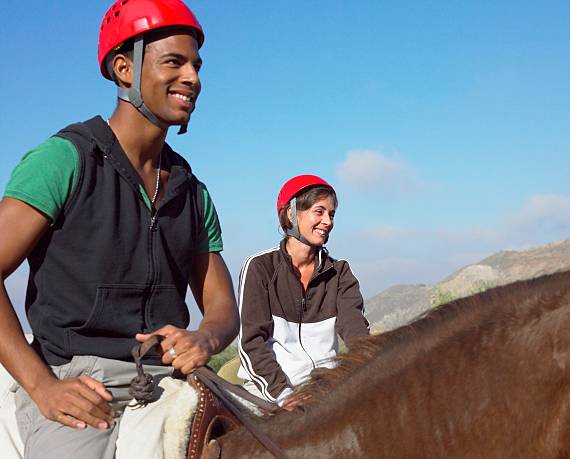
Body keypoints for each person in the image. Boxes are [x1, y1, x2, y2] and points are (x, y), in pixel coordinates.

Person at [0, 1, 239, 457]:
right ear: (124, 68)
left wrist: (205, 338)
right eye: (174, 61)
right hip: (78, 380)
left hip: (170, 377)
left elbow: (221, 304)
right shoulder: (63, 160)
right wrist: (43, 387)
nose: (193, 77)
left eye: (196, 65)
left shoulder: (192, 190)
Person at [237, 174, 370, 408]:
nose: (328, 221)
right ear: (291, 213)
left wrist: (372, 364)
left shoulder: (340, 273)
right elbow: (251, 343)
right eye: (319, 212)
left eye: (332, 214)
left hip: (325, 391)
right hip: (269, 392)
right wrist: (284, 395)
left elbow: (355, 330)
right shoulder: (260, 268)